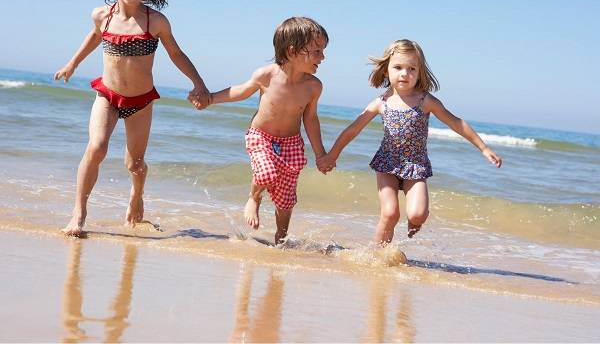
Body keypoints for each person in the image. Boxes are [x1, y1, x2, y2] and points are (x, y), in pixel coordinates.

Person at [54, 0, 210, 236]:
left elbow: (176, 54)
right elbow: (94, 36)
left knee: (134, 164)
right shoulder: (102, 15)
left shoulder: (155, 21)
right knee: (97, 147)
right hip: (108, 95)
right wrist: (72, 63)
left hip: (140, 101)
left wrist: (198, 82)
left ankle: (137, 196)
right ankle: (79, 212)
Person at [317, 39, 502, 245]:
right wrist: (332, 156)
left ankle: (417, 221)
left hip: (416, 165)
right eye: (398, 67)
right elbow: (353, 129)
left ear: (419, 72)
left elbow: (456, 123)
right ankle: (377, 257)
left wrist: (483, 148)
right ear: (386, 70)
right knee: (390, 214)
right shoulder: (381, 102)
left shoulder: (426, 101)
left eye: (411, 68)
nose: (405, 73)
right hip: (387, 164)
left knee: (417, 215)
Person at [191, 17, 328, 245]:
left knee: (286, 199)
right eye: (316, 51)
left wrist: (320, 153)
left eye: (322, 51)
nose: (322, 58)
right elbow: (240, 92)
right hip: (261, 137)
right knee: (266, 174)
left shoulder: (313, 86)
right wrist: (210, 99)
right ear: (292, 51)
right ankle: (253, 198)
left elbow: (311, 120)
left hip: (291, 143)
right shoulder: (267, 75)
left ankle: (281, 237)